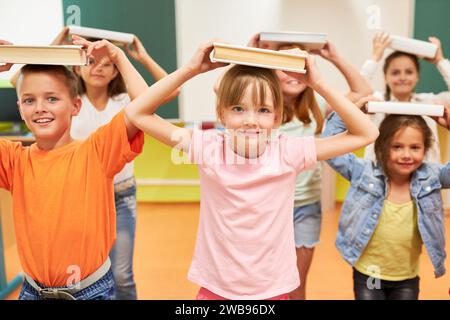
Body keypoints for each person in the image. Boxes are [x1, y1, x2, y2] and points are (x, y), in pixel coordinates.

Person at [123, 40, 379, 299]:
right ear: (221, 114)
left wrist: (318, 84)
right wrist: (191, 69)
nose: (250, 120)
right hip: (217, 289)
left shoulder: (288, 151)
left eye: (263, 110)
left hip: (273, 290)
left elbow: (366, 132)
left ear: (277, 117)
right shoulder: (208, 147)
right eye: (238, 109)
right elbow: (136, 112)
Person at [0, 38, 147, 300]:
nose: (41, 108)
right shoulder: (14, 160)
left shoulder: (97, 152)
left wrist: (119, 56)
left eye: (52, 98)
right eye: (29, 100)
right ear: (20, 108)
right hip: (33, 292)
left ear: (75, 105)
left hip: (92, 292)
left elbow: (145, 106)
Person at [247, 34, 373, 299]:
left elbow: (363, 92)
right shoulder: (258, 112)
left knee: (296, 287)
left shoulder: (319, 111)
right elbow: (222, 90)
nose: (293, 73)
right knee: (263, 285)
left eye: (300, 66)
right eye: (285, 66)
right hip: (266, 209)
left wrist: (334, 58)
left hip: (305, 209)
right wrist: (250, 55)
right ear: (271, 71)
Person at [69, 29, 179, 300]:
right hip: (80, 197)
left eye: (107, 64)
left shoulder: (125, 102)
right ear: (78, 65)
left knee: (122, 276)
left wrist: (142, 57)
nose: (99, 69)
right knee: (83, 276)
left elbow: (171, 89)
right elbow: (22, 79)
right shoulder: (69, 103)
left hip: (121, 196)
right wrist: (58, 42)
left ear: (117, 71)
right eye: (92, 62)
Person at [323, 95, 450, 300]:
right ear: (382, 147)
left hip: (406, 278)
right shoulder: (364, 173)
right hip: (369, 274)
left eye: (415, 147)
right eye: (397, 146)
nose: (406, 154)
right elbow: (329, 149)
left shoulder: (431, 178)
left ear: (425, 149)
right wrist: (352, 113)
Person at [360, 31, 450, 162]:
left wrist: (439, 61)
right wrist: (375, 58)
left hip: (425, 178)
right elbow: (356, 91)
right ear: (385, 77)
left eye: (409, 72)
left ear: (417, 76)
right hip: (380, 178)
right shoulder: (376, 100)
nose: (402, 77)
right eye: (395, 73)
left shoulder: (429, 101)